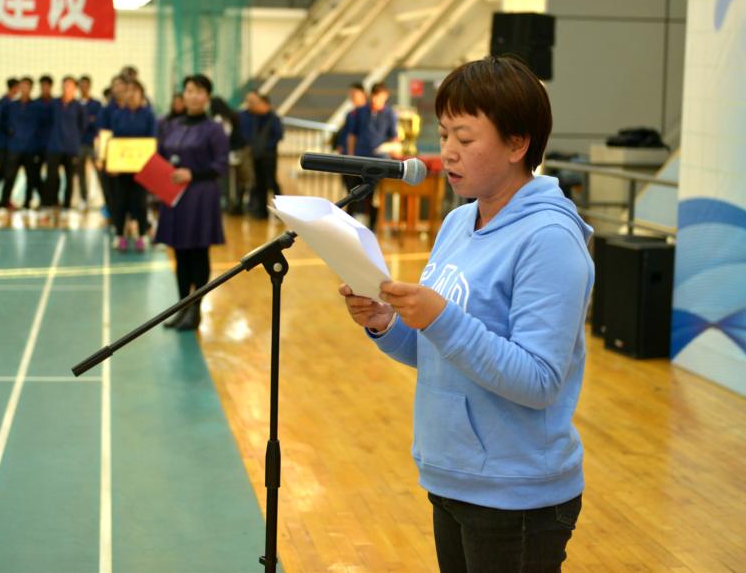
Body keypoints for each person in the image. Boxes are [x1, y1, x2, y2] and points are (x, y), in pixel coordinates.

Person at [339, 57, 593, 573]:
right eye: (443, 134)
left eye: (465, 137)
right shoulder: (459, 221)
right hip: (454, 474)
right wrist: (385, 322)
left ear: (517, 144)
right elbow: (439, 351)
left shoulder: (549, 238)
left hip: (516, 493)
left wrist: (439, 317)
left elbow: (540, 380)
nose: (447, 151)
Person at [154, 74, 228, 330]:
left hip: (200, 196)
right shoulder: (172, 125)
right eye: (189, 90)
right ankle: (182, 306)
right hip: (174, 196)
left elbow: (221, 165)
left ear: (207, 96)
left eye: (199, 91)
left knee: (198, 253)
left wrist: (192, 174)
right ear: (183, 95)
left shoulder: (214, 129)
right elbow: (161, 155)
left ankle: (196, 309)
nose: (193, 96)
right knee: (180, 253)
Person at [107, 79, 156, 251]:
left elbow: (152, 140)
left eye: (135, 91)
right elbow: (114, 141)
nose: (131, 94)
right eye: (128, 91)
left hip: (142, 169)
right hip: (122, 169)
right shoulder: (118, 115)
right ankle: (119, 235)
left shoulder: (148, 115)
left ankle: (142, 235)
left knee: (140, 203)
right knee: (120, 203)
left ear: (141, 94)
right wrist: (112, 164)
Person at [346, 81, 399, 229]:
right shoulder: (361, 111)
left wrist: (392, 149)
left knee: (374, 196)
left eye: (379, 96)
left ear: (385, 96)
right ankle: (349, 225)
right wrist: (350, 155)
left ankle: (372, 227)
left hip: (379, 162)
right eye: (374, 96)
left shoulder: (390, 114)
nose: (375, 100)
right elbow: (352, 135)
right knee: (353, 194)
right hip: (360, 158)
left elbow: (394, 137)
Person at [45, 76, 86, 212]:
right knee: (52, 176)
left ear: (74, 88)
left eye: (69, 86)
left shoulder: (78, 106)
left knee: (70, 177)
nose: (66, 88)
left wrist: (74, 138)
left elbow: (82, 125)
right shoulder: (53, 104)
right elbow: (47, 122)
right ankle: (51, 202)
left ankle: (67, 204)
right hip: (54, 146)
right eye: (64, 85)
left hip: (71, 148)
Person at [0, 77, 39, 211]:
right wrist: (10, 130)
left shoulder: (36, 107)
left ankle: (27, 203)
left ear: (31, 88)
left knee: (30, 177)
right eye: (22, 86)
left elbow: (40, 126)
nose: (24, 89)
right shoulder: (11, 106)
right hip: (14, 147)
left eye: (26, 86)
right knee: (9, 176)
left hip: (30, 148)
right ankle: (4, 202)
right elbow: (3, 121)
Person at [243, 92, 283, 218]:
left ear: (265, 104)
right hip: (257, 156)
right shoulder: (255, 118)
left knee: (272, 182)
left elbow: (278, 135)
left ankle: (281, 211)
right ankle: (261, 211)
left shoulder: (273, 118)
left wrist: (267, 146)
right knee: (259, 183)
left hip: (269, 156)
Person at [210, 95, 249, 215]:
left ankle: (231, 204)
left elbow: (224, 137)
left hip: (230, 153)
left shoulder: (219, 119)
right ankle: (236, 204)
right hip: (238, 152)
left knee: (228, 181)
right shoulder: (233, 116)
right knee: (237, 181)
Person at [76, 75, 103, 209]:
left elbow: (98, 122)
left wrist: (90, 122)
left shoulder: (96, 104)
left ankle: (104, 198)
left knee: (99, 171)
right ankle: (83, 198)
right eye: (81, 85)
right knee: (80, 172)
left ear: (90, 87)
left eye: (86, 85)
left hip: (93, 142)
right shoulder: (75, 104)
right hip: (79, 142)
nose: (84, 88)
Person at [27, 74, 54, 209]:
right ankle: (37, 198)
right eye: (42, 86)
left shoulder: (55, 104)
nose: (44, 88)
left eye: (47, 86)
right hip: (36, 145)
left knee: (52, 175)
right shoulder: (34, 104)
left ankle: (50, 200)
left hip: (52, 145)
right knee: (34, 174)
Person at [0, 77, 19, 200]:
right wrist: (9, 128)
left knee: (5, 171)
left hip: (10, 144)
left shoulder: (13, 102)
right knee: (4, 171)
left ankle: (4, 199)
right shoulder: (3, 102)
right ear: (14, 88)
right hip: (2, 143)